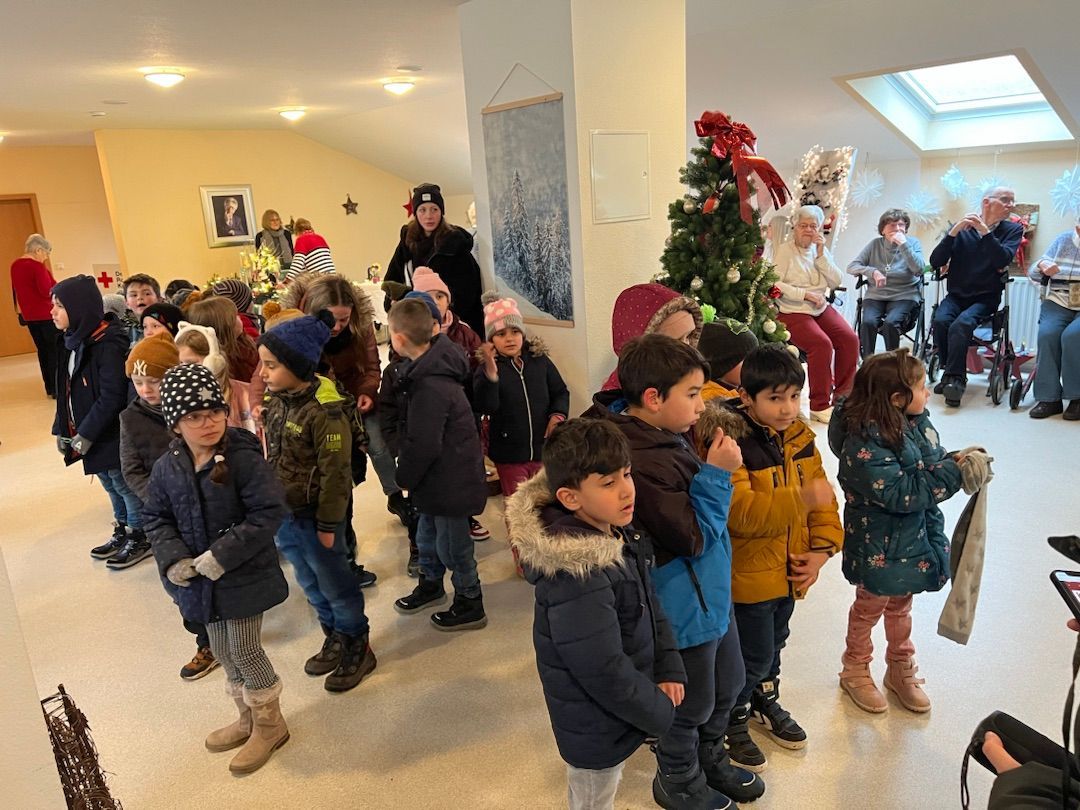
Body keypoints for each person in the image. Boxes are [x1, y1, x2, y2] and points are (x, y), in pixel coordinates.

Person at [588, 333, 765, 809]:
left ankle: (710, 760)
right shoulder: (637, 459)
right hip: (681, 609)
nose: (701, 405)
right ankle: (678, 777)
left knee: (727, 685)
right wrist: (718, 473)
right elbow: (693, 537)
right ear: (653, 398)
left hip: (710, 596)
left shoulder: (666, 434)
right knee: (689, 704)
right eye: (692, 394)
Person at [506, 418, 688, 810]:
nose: (626, 490)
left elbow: (650, 605)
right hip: (594, 723)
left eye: (627, 474)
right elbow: (600, 667)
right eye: (608, 483)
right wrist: (657, 712)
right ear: (570, 498)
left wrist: (668, 665)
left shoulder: (613, 532)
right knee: (593, 796)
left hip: (620, 709)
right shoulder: (577, 574)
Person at [143, 363, 289, 774]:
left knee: (245, 649)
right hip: (200, 583)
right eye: (194, 416)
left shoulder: (242, 458)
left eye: (214, 412)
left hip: (242, 575)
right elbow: (155, 517)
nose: (207, 423)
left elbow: (268, 512)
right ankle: (247, 718)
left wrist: (221, 555)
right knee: (222, 650)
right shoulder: (167, 467)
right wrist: (174, 559)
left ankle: (270, 725)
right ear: (175, 423)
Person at [723, 344, 842, 771]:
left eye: (794, 396)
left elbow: (824, 503)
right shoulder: (731, 444)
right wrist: (800, 498)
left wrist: (820, 553)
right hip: (750, 577)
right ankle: (731, 719)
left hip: (789, 573)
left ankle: (762, 700)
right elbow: (742, 514)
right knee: (750, 655)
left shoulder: (800, 439)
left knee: (774, 646)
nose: (788, 408)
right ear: (746, 397)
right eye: (775, 398)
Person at [827, 349, 964, 714]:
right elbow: (902, 492)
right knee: (869, 607)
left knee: (902, 605)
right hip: (879, 543)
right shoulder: (864, 441)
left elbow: (931, 462)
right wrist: (954, 474)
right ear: (897, 398)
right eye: (922, 387)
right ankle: (854, 667)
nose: (929, 393)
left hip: (911, 539)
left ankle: (899, 666)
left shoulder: (915, 423)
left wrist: (956, 460)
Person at [258, 312, 377, 692]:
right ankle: (334, 635)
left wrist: (328, 524)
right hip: (286, 513)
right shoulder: (278, 400)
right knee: (309, 582)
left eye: (271, 365)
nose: (262, 373)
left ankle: (357, 643)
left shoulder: (326, 413)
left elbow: (336, 475)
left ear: (297, 366)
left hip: (317, 518)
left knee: (335, 583)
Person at [119, 332, 218, 679]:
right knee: (180, 582)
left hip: (206, 509)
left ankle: (225, 633)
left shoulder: (193, 410)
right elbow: (131, 470)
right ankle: (204, 640)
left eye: (154, 381)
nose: (146, 390)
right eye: (138, 382)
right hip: (164, 517)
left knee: (213, 573)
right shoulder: (129, 419)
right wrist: (159, 501)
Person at [388, 298, 490, 631]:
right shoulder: (423, 371)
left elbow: (424, 443)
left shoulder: (431, 383)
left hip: (451, 481)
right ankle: (431, 585)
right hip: (434, 480)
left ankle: (470, 600)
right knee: (427, 536)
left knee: (454, 546)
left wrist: (404, 476)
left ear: (398, 339)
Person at [50, 275, 143, 564]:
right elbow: (65, 390)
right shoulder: (72, 341)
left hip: (108, 432)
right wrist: (61, 428)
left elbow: (112, 397)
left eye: (59, 306)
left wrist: (87, 433)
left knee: (122, 482)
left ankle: (140, 533)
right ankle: (122, 527)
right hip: (87, 431)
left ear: (78, 307)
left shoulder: (108, 344)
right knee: (107, 482)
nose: (52, 312)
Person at [928, 186, 1024, 407]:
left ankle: (956, 380)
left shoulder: (1012, 230)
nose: (1011, 205)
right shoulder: (962, 229)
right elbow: (936, 261)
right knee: (941, 321)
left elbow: (1002, 259)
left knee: (961, 324)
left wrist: (985, 232)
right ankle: (949, 372)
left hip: (986, 297)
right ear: (986, 202)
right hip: (956, 295)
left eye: (1013, 200)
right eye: (1005, 200)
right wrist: (953, 232)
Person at [475, 293, 569, 499]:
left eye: (515, 331)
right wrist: (491, 376)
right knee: (519, 504)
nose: (509, 338)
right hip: (509, 455)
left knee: (545, 501)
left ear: (523, 333)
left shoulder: (539, 360)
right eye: (501, 334)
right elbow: (487, 406)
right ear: (491, 339)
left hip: (543, 449)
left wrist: (557, 415)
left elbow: (560, 391)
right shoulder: (487, 369)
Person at [771, 204, 858, 422]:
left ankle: (843, 397)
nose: (808, 230)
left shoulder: (820, 251)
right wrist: (805, 295)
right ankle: (819, 405)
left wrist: (821, 255)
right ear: (795, 227)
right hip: (792, 309)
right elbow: (775, 283)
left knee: (849, 339)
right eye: (803, 225)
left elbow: (836, 281)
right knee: (821, 344)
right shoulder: (785, 250)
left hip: (819, 308)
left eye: (813, 226)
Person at [385, 183, 484, 335]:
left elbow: (468, 292)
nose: (428, 216)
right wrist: (397, 302)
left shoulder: (455, 243)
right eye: (422, 210)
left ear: (441, 212)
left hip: (451, 325)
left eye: (434, 209)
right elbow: (392, 279)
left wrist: (443, 315)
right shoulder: (407, 242)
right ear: (415, 213)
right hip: (417, 323)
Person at [846, 208, 926, 357]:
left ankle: (893, 362)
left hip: (905, 295)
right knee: (868, 323)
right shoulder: (875, 245)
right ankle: (868, 362)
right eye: (892, 225)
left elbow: (919, 269)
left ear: (906, 228)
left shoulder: (913, 243)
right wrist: (873, 272)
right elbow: (852, 267)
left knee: (891, 323)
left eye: (901, 225)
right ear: (883, 230)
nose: (897, 229)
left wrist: (904, 245)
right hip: (876, 295)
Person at [600, 283, 703, 391]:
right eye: (676, 341)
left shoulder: (682, 374)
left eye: (689, 336)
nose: (687, 347)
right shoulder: (623, 396)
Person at [1027, 215, 1080, 420]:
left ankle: (1076, 397)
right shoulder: (1062, 240)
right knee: (1047, 335)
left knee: (1072, 337)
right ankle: (1049, 399)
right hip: (1058, 301)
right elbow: (1034, 271)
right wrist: (1042, 265)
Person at [174, 322, 256, 434]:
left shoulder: (245, 394)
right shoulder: (178, 397)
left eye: (191, 363)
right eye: (180, 364)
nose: (184, 370)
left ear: (213, 362)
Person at [10, 234, 59, 397]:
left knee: (42, 351)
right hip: (46, 315)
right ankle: (57, 388)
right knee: (54, 351)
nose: (45, 257)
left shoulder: (15, 265)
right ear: (38, 250)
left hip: (30, 316)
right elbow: (46, 291)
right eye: (46, 253)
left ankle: (49, 387)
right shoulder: (36, 266)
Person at [186, 296, 260, 382]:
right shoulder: (220, 363)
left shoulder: (245, 342)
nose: (240, 318)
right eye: (236, 316)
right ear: (226, 325)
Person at [698, 319, 758, 402]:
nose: (754, 364)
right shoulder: (715, 401)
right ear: (723, 365)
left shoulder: (733, 389)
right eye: (746, 359)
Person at [122, 273, 161, 346]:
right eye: (134, 295)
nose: (139, 298)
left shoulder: (169, 325)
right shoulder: (123, 332)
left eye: (147, 294)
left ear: (159, 299)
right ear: (127, 303)